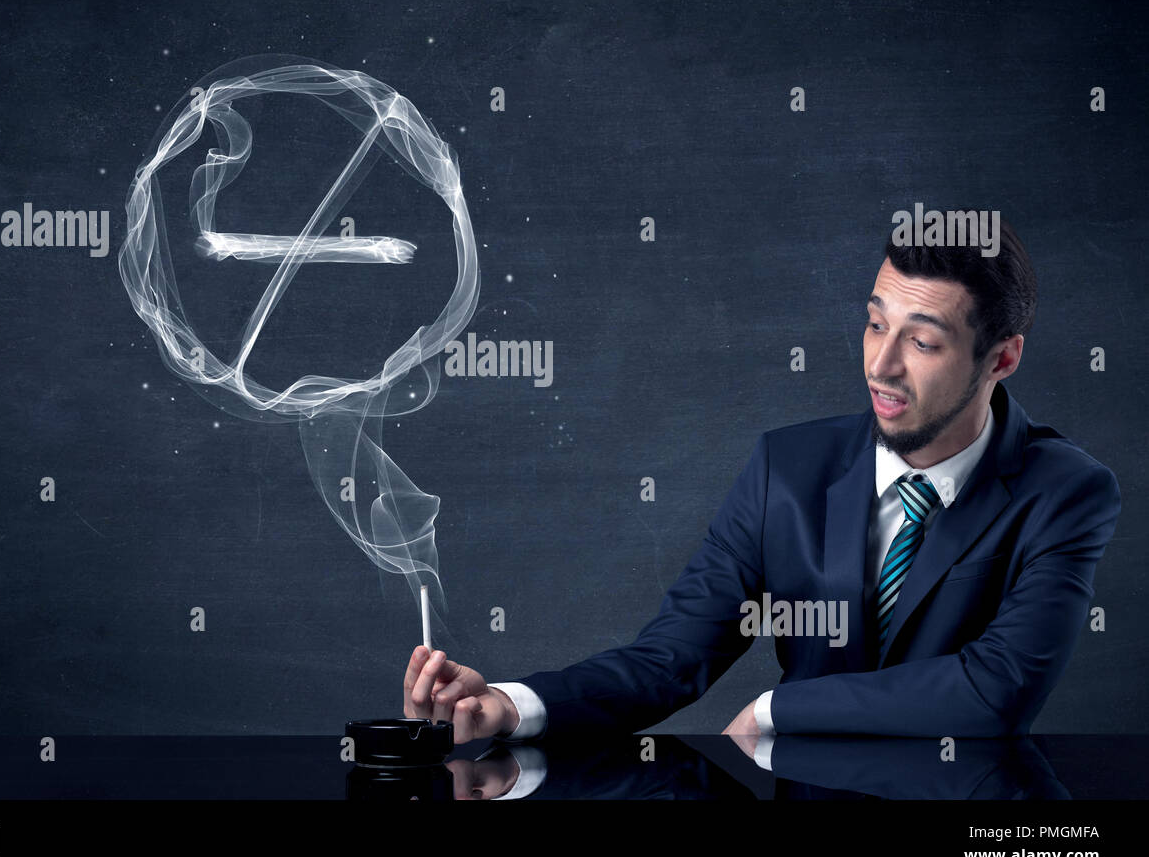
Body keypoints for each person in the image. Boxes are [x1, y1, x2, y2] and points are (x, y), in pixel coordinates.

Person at [402, 218, 1121, 756]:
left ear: (1002, 358)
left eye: (923, 342)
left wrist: (783, 708)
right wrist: (507, 704)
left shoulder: (1065, 492)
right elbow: (672, 658)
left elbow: (990, 693)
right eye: (875, 325)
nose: (882, 365)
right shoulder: (789, 468)